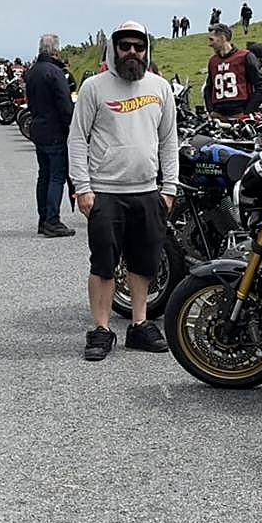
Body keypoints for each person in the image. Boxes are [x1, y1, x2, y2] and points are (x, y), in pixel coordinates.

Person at [68, 21, 178, 361]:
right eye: (125, 46)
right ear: (114, 49)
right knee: (104, 263)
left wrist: (170, 188)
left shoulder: (160, 88)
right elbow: (77, 138)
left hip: (147, 191)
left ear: (147, 50)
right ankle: (101, 330)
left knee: (143, 262)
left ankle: (139, 325)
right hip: (104, 192)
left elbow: (169, 140)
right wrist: (82, 188)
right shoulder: (94, 87)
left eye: (138, 46)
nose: (132, 52)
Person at [26, 34, 76, 238]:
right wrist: (72, 128)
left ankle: (43, 218)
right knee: (57, 176)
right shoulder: (55, 72)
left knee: (44, 175)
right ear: (55, 50)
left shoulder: (33, 71)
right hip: (55, 130)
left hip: (38, 127)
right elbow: (65, 104)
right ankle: (52, 220)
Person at [203, 23, 262, 118]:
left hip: (240, 113)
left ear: (222, 38)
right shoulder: (213, 61)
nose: (210, 44)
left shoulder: (245, 57)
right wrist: (211, 110)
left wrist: (248, 111)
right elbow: (208, 88)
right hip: (218, 115)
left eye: (211, 39)